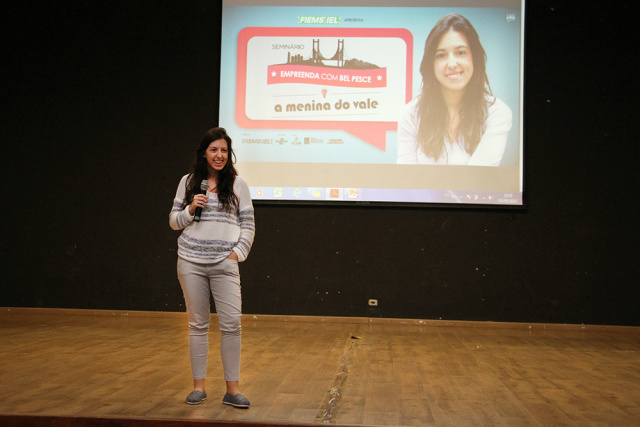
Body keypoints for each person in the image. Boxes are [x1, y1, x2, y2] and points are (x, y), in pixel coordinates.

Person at [169, 127, 255, 408]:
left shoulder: (238, 184)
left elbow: (248, 225)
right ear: (204, 153)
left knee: (232, 325)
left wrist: (236, 254)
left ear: (229, 155)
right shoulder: (189, 182)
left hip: (223, 263)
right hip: (190, 261)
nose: (219, 155)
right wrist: (190, 208)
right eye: (214, 150)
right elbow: (173, 221)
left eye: (224, 150)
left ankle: (233, 390)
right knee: (197, 325)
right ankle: (198, 387)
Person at [397, 13, 512, 166]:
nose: (452, 63)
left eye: (461, 52)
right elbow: (405, 181)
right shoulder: (411, 115)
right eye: (441, 55)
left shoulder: (496, 113)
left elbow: (478, 179)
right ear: (431, 64)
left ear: (474, 58)